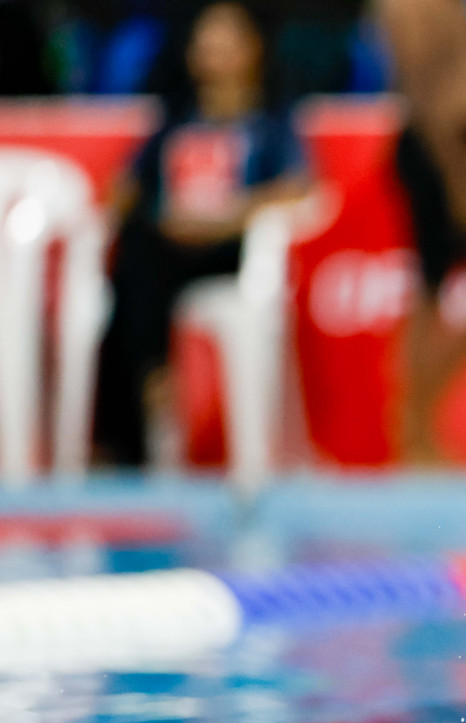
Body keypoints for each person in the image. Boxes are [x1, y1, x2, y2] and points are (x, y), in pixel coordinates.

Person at [92, 0, 309, 467]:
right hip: (168, 253)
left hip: (230, 252)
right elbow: (129, 185)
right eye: (206, 39)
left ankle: (145, 409)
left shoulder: (269, 126)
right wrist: (133, 199)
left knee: (139, 270)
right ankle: (149, 397)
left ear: (252, 49)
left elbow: (299, 190)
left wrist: (228, 218)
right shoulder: (177, 123)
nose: (214, 49)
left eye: (226, 38)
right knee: (132, 263)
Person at [374, 0, 466, 461]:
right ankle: (414, 423)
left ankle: (420, 413)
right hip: (439, 153)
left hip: (455, 150)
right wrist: (457, 176)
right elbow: (421, 88)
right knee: (433, 292)